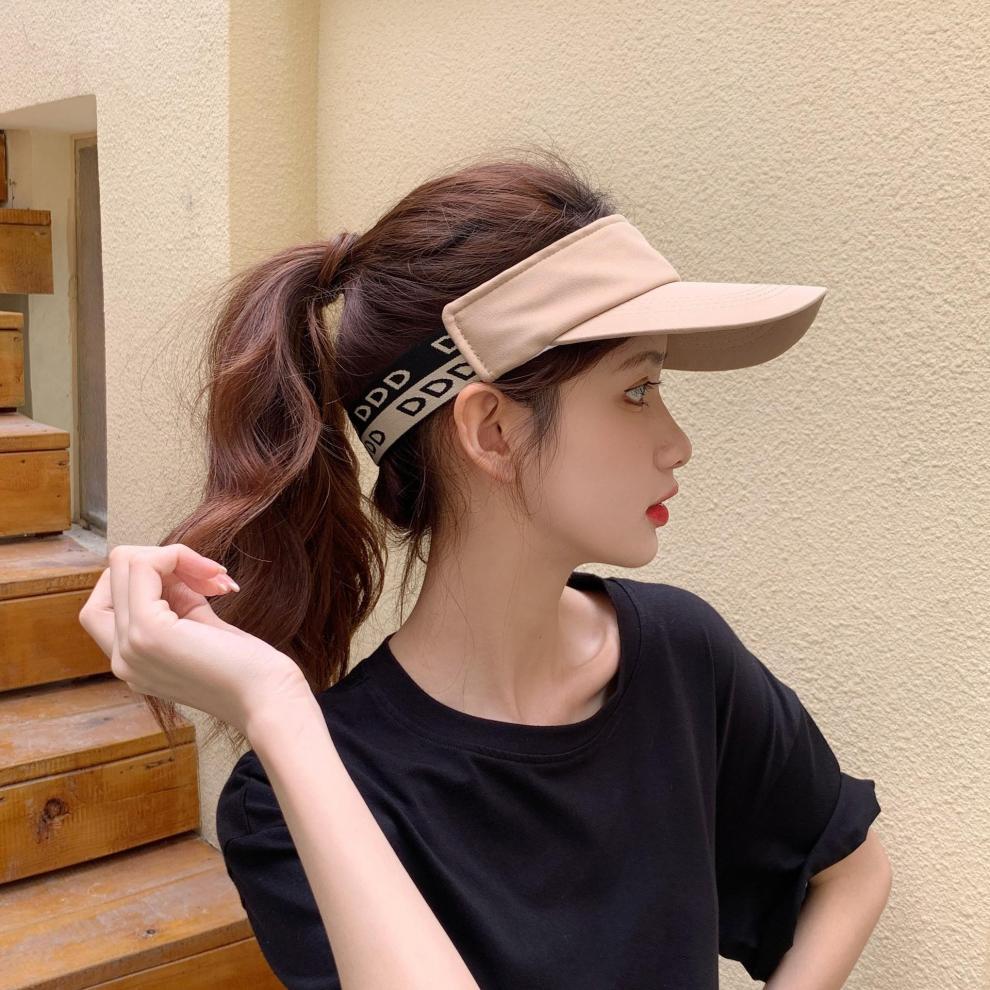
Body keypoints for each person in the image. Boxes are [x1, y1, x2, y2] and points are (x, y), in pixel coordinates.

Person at [79, 149, 888, 989]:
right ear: (492, 431)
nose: (676, 442)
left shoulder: (685, 658)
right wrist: (275, 709)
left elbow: (852, 871)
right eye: (637, 390)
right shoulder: (294, 800)